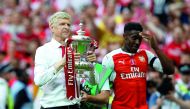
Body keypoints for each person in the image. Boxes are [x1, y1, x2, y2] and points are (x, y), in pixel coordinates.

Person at [34, 11, 109, 109]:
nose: (66, 27)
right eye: (62, 24)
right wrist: (61, 63)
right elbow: (39, 80)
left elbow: (91, 81)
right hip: (52, 105)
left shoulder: (76, 49)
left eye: (68, 24)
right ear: (52, 27)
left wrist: (92, 65)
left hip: (74, 105)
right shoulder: (43, 50)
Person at [101, 22, 175, 109]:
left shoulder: (146, 54)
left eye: (140, 39)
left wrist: (156, 48)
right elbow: (102, 87)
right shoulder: (109, 58)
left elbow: (170, 70)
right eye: (134, 38)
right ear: (124, 36)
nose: (137, 42)